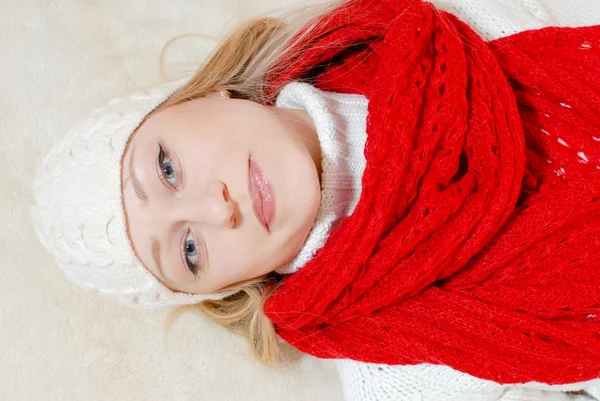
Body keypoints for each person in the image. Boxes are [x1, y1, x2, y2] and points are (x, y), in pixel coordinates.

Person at [31, 0, 600, 399]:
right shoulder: (400, 377)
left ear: (204, 95)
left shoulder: (435, 22)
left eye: (165, 168)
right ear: (228, 287)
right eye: (188, 252)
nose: (216, 210)